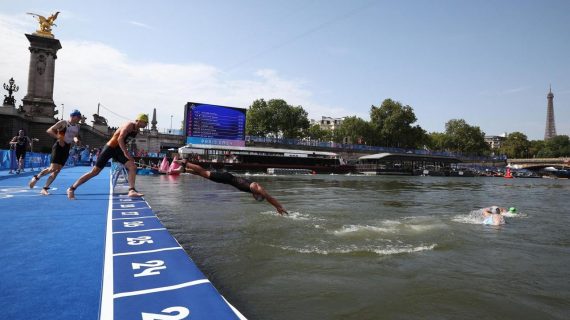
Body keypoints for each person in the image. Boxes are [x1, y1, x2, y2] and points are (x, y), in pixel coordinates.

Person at [66, 114, 148, 200]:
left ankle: (131, 190)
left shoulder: (136, 131)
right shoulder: (129, 125)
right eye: (145, 122)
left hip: (118, 151)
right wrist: (126, 152)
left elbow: (125, 141)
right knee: (94, 172)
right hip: (110, 148)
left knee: (132, 167)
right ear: (139, 120)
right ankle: (71, 188)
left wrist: (125, 152)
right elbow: (120, 138)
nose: (146, 124)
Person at [174, 159, 288, 215]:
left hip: (227, 179)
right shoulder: (255, 187)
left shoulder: (252, 188)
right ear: (258, 195)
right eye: (257, 198)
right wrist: (278, 207)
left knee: (203, 174)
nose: (254, 198)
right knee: (204, 172)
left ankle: (184, 169)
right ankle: (185, 163)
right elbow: (269, 197)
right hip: (226, 178)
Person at [28, 110, 82, 195]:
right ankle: (36, 177)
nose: (79, 119)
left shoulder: (77, 126)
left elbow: (75, 136)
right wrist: (59, 138)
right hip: (58, 146)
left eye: (80, 117)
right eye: (78, 117)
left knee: (57, 170)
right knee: (52, 168)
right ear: (73, 116)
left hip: (67, 147)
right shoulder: (63, 123)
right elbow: (49, 130)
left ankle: (45, 188)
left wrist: (76, 140)